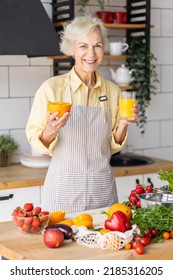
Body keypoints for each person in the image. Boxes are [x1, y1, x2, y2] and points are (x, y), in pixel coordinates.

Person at [26, 16, 139, 213]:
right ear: (72, 49)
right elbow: (36, 141)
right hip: (63, 194)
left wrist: (123, 124)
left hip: (101, 191)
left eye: (97, 45)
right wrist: (50, 130)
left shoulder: (113, 92)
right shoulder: (52, 89)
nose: (91, 53)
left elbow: (111, 146)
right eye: (83, 46)